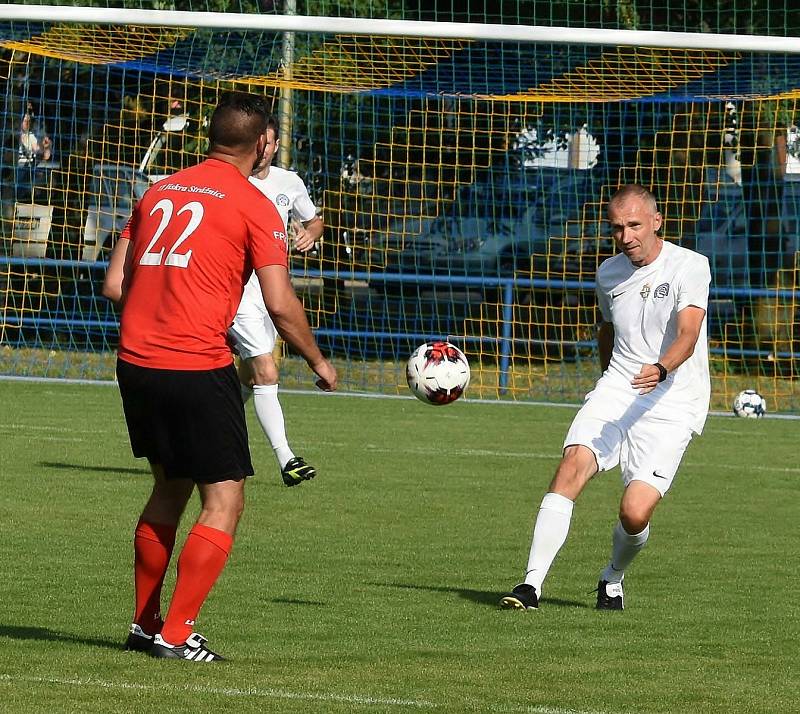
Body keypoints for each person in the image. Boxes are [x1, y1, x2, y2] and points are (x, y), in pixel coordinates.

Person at [102, 91, 337, 662]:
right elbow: (280, 304)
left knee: (169, 487)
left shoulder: (158, 191)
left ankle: (144, 624)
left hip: (136, 362)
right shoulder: (254, 204)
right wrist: (318, 360)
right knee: (225, 498)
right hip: (194, 364)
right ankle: (177, 633)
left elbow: (115, 284)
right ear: (262, 144)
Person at [500, 184, 711, 611]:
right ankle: (530, 585)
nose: (626, 236)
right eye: (616, 228)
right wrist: (606, 386)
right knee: (572, 465)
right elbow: (608, 330)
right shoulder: (608, 273)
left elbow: (688, 336)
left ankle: (612, 576)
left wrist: (661, 368)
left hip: (673, 399)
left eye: (634, 225)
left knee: (634, 513)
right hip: (618, 388)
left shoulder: (690, 266)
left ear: (657, 221)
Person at [228, 115, 324, 487]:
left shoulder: (289, 182)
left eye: (269, 143)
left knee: (249, 376)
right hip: (238, 292)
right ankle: (287, 460)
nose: (263, 149)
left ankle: (200, 436)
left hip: (272, 291)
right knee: (267, 370)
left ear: (276, 144)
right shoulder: (233, 181)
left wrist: (309, 235)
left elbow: (314, 220)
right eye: (258, 142)